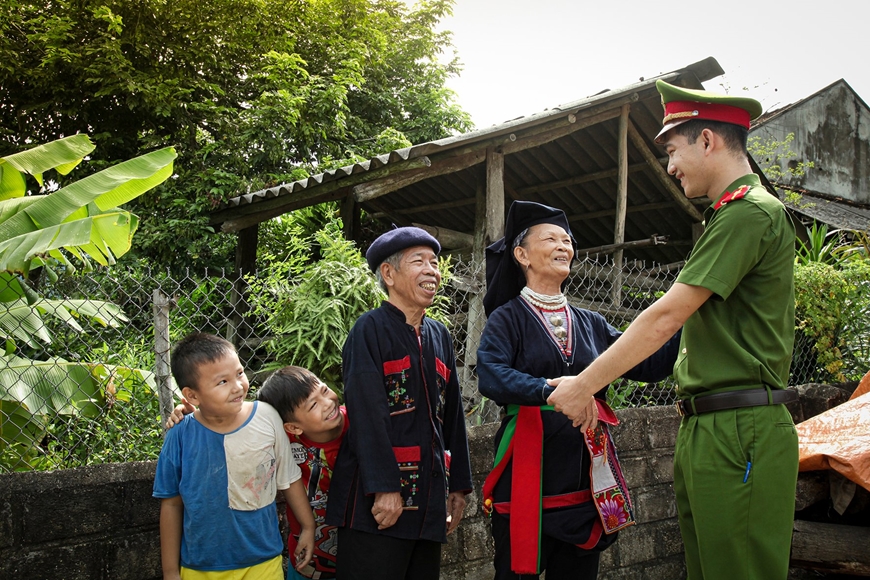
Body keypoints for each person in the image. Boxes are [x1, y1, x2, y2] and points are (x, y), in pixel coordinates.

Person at [547, 80, 799, 580]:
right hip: (711, 425)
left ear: (707, 141)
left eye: (672, 149)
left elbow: (665, 317)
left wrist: (584, 386)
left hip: (739, 428)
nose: (668, 165)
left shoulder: (748, 214)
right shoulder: (728, 217)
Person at [477, 200, 680, 579]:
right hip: (527, 477)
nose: (564, 246)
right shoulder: (507, 318)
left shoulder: (592, 323)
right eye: (551, 238)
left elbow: (650, 364)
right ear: (522, 254)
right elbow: (491, 375)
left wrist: (685, 312)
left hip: (584, 479)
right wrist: (550, 392)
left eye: (567, 240)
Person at [325, 226, 473, 580]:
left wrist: (459, 486)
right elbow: (366, 415)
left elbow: (452, 417)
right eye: (418, 262)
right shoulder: (368, 330)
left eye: (434, 263)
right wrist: (385, 488)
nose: (432, 271)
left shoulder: (439, 334)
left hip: (428, 499)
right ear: (388, 274)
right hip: (377, 505)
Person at [153, 332, 315, 580]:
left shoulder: (267, 417)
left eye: (239, 373)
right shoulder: (180, 435)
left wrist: (308, 526)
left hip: (263, 560)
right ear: (192, 396)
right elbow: (172, 504)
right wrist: (170, 572)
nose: (238, 386)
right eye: (222, 382)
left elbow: (289, 479)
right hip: (199, 567)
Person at [257, 366, 348, 580]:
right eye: (314, 405)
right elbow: (240, 422)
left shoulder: (360, 424)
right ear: (293, 428)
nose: (328, 403)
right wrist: (191, 416)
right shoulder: (284, 441)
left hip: (360, 553)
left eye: (324, 391)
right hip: (309, 559)